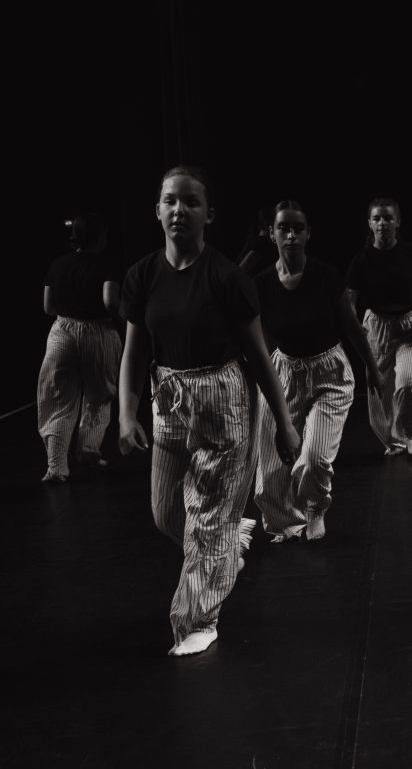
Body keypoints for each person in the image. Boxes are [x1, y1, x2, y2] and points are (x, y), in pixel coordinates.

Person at [118, 166, 301, 656]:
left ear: (209, 214)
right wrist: (127, 415)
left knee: (208, 519)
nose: (179, 210)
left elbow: (259, 355)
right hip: (169, 398)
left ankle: (199, 619)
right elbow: (134, 352)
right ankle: (226, 546)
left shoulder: (227, 278)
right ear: (157, 210)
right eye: (170, 200)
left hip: (224, 401)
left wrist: (283, 423)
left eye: (191, 202)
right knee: (167, 514)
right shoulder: (142, 275)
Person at [253, 200, 384, 542]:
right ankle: (286, 523)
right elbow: (260, 345)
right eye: (283, 228)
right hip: (283, 373)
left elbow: (352, 326)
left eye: (298, 229)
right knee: (271, 471)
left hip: (329, 373)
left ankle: (314, 506)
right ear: (271, 234)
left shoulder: (325, 276)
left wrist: (372, 368)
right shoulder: (262, 284)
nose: (291, 235)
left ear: (308, 234)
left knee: (313, 458)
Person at [37, 214, 122, 481]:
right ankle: (88, 451)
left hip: (62, 331)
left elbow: (48, 307)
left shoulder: (58, 264)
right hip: (98, 331)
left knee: (58, 398)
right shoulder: (107, 264)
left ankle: (56, 467)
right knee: (99, 396)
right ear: (101, 237)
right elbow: (110, 301)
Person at [347, 198, 412, 456]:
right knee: (380, 389)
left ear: (398, 222)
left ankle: (411, 434)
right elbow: (350, 299)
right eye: (377, 218)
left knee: (406, 383)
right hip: (378, 327)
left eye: (388, 218)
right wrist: (355, 325)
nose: (382, 223)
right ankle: (392, 441)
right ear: (369, 224)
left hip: (411, 324)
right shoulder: (361, 261)